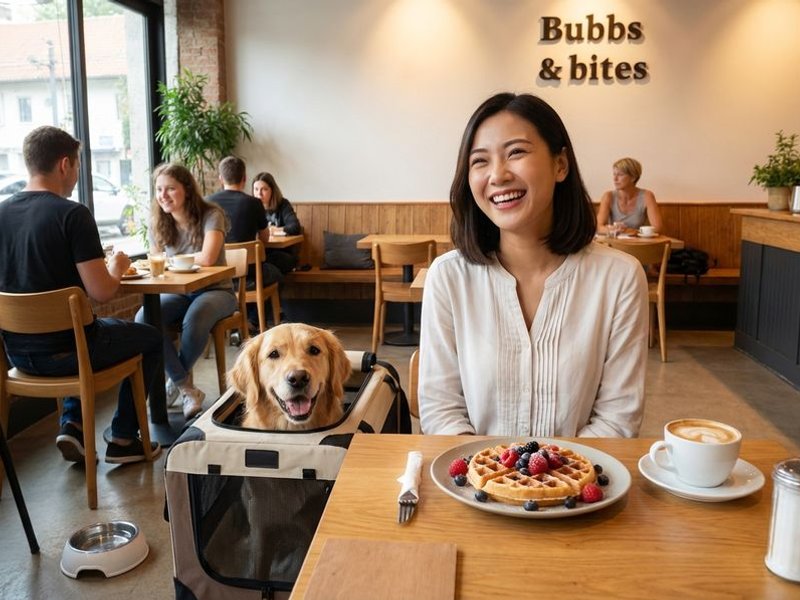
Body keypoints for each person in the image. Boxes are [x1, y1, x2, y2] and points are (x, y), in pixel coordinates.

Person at [418, 93, 649, 438]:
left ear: (561, 165)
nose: (497, 175)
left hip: (586, 473)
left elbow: (618, 419)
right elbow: (441, 409)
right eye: (479, 161)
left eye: (516, 152)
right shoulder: (448, 277)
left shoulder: (619, 278)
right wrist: (487, 468)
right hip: (471, 471)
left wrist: (561, 470)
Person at [0, 126, 162, 463]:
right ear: (64, 164)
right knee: (151, 338)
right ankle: (123, 438)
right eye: (77, 165)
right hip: (69, 354)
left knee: (82, 333)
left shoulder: (2, 214)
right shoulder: (72, 214)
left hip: (16, 355)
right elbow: (102, 292)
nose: (76, 175)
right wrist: (117, 266)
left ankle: (72, 425)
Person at [136, 163, 236, 419]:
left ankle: (175, 382)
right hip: (180, 292)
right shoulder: (158, 221)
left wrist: (170, 261)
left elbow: (208, 257)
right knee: (144, 317)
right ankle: (186, 387)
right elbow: (156, 261)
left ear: (187, 190)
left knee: (196, 317)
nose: (163, 195)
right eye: (159, 189)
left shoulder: (211, 214)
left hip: (217, 290)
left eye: (170, 188)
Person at [596, 157, 663, 234]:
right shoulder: (608, 196)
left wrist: (631, 232)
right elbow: (599, 227)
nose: (615, 179)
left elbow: (658, 228)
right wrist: (613, 230)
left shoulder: (647, 196)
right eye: (614, 174)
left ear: (633, 177)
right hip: (614, 240)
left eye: (620, 174)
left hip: (637, 240)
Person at [252, 171, 301, 274]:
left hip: (281, 253)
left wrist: (274, 230)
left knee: (270, 261)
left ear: (272, 190)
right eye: (256, 189)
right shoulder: (251, 206)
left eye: (264, 189)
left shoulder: (283, 204)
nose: (259, 194)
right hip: (260, 252)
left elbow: (295, 227)